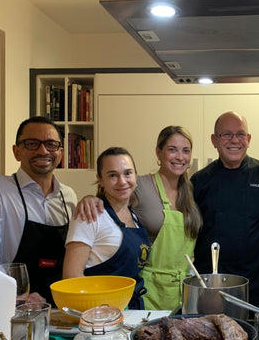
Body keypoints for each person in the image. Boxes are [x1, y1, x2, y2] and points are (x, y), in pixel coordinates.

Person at [74, 126, 202, 310]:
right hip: (150, 292)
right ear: (158, 152)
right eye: (172, 149)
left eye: (186, 150)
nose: (180, 157)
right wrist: (89, 199)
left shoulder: (190, 190)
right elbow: (110, 198)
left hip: (182, 291)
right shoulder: (139, 184)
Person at [0, 116, 77, 304]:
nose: (43, 151)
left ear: (61, 152)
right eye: (32, 143)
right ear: (17, 152)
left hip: (60, 308)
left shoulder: (70, 197)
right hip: (11, 306)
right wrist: (17, 296)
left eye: (51, 144)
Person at [191, 111, 259, 309]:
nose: (234, 140)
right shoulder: (199, 181)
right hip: (212, 287)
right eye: (226, 134)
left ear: (248, 140)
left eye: (240, 134)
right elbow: (189, 236)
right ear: (214, 140)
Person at [63, 147, 150, 309]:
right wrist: (100, 314)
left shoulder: (135, 217)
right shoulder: (89, 215)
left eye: (128, 173)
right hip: (100, 314)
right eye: (112, 175)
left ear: (136, 176)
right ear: (100, 180)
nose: (122, 181)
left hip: (132, 309)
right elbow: (71, 277)